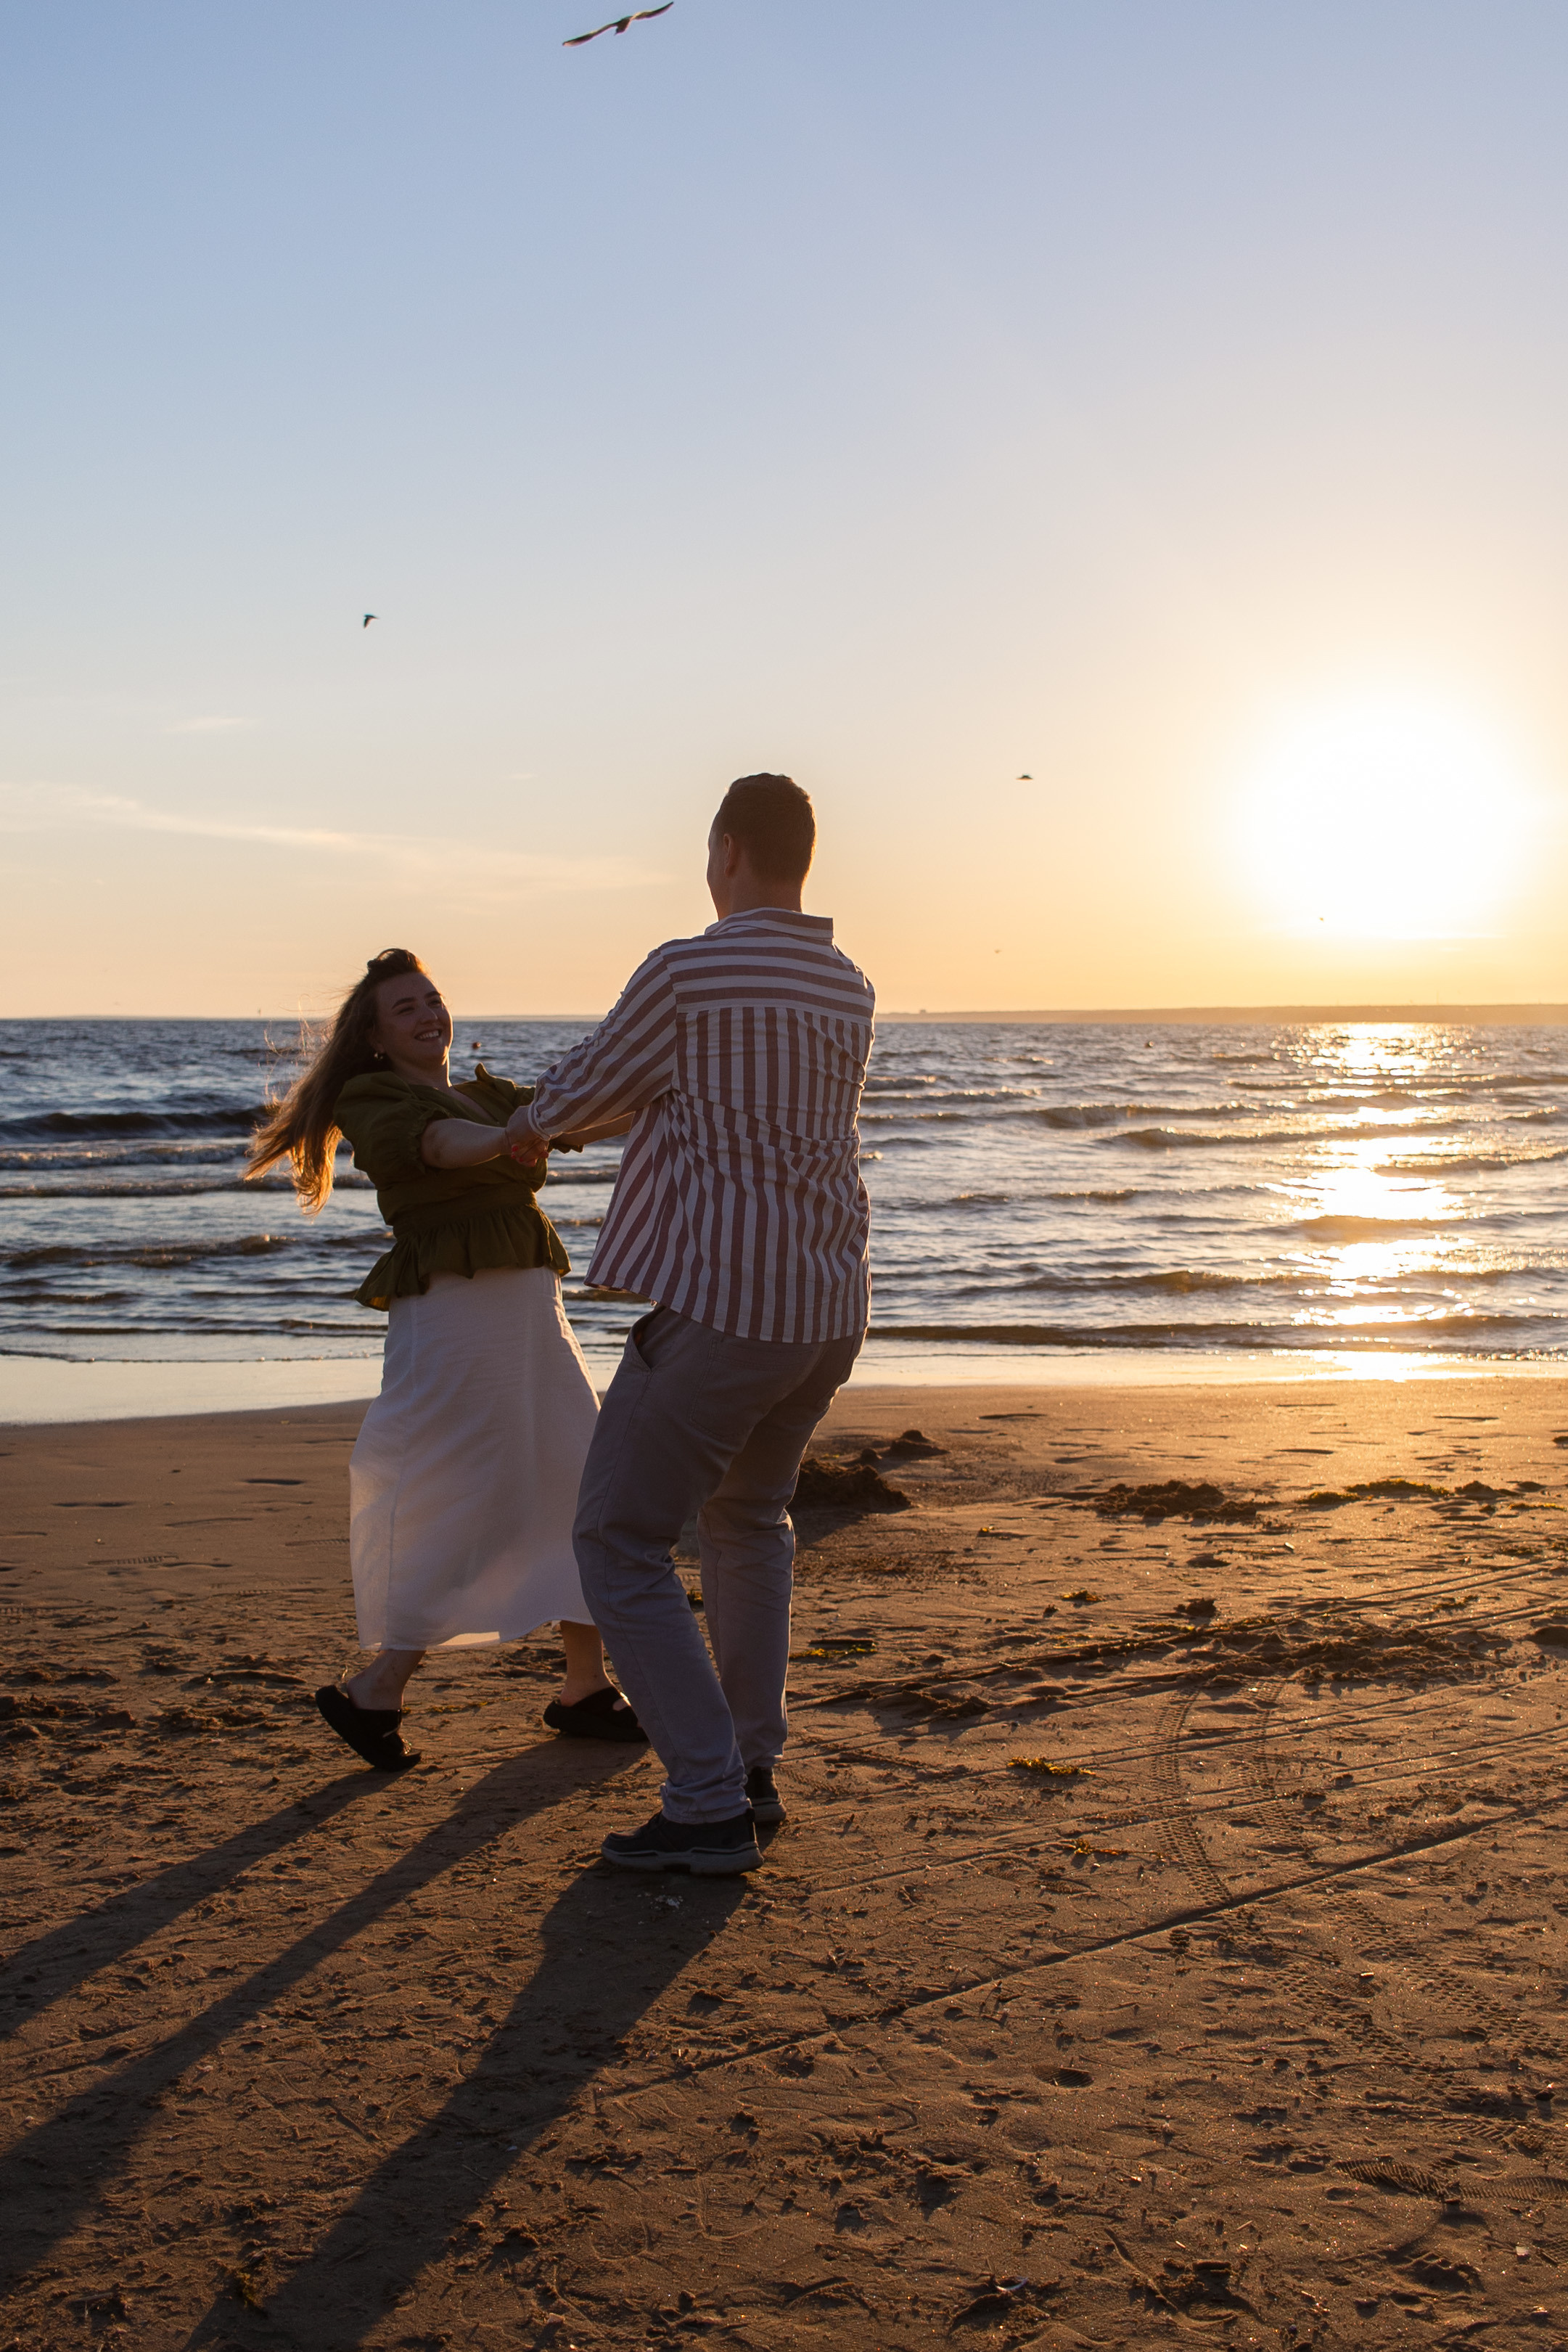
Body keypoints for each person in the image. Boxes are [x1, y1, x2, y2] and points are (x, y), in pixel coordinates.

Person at [504, 774, 874, 1873]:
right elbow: (716, 1107)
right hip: (823, 1306)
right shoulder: (846, 982)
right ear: (802, 855)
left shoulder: (690, 968)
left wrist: (513, 1128)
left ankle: (707, 1800)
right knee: (749, 1521)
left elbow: (581, 1091)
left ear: (725, 850)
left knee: (617, 1541)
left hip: (723, 1308)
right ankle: (748, 1770)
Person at [247, 948, 644, 1772]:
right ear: (377, 1037)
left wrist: (659, 1101)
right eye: (406, 1008)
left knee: (580, 1481)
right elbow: (440, 1145)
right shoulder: (375, 1096)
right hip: (456, 1322)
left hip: (534, 1318)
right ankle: (377, 1688)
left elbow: (573, 1121)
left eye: (433, 998)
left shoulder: (492, 1092)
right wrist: (514, 1136)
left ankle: (584, 1687)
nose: (429, 1013)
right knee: (464, 1494)